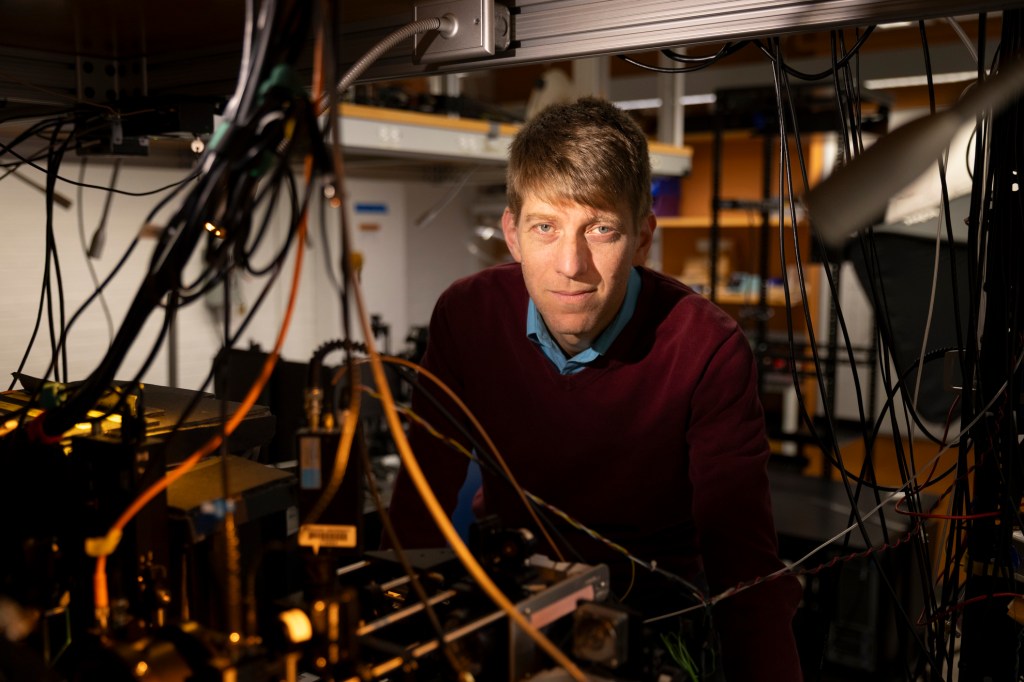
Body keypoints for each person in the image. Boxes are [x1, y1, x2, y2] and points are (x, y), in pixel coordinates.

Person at [386, 97, 803, 680]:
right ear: (511, 232)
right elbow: (420, 499)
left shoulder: (707, 347)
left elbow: (743, 563)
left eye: (600, 228)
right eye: (545, 227)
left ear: (642, 237)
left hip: (655, 619)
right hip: (512, 593)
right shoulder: (467, 315)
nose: (570, 264)